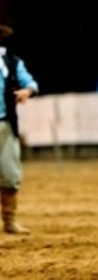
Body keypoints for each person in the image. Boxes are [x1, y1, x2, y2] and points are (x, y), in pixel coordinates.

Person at [0, 23, 39, 235]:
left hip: (5, 124)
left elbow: (30, 82)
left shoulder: (12, 62)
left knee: (10, 174)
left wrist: (27, 91)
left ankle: (9, 221)